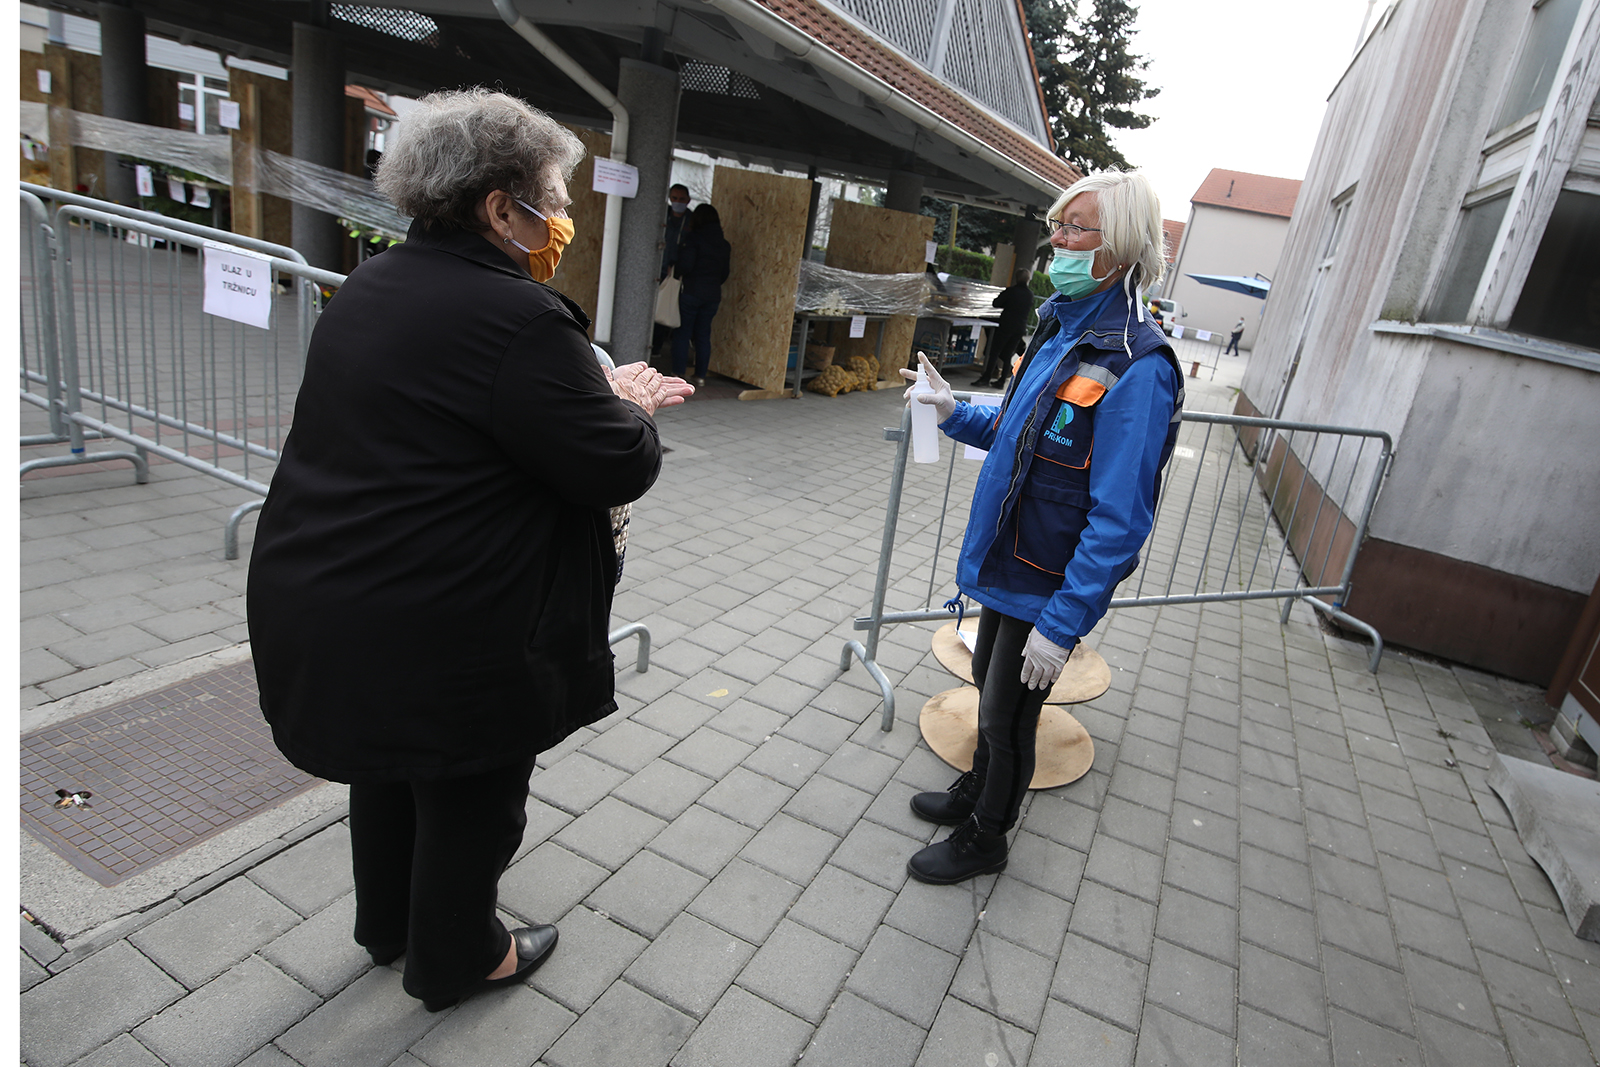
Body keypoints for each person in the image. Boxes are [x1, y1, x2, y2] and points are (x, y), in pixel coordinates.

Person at [245, 89, 692, 1012]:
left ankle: (391, 926)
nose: (564, 218)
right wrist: (632, 403)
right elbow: (612, 462)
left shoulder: (370, 282)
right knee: (472, 789)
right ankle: (457, 956)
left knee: (390, 768)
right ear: (498, 208)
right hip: (453, 620)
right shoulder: (522, 318)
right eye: (555, 198)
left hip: (339, 592)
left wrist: (587, 390)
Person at [898, 170, 1184, 885]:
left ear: (1119, 247)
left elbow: (1120, 521)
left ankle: (987, 836)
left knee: (1006, 715)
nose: (1056, 239)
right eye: (1057, 224)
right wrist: (948, 409)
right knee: (988, 694)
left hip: (1048, 580)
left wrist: (1063, 625)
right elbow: (1018, 431)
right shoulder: (1060, 323)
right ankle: (975, 794)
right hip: (1009, 562)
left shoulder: (1138, 366)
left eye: (1075, 228)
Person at [672, 203, 731, 387]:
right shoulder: (724, 244)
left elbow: (686, 265)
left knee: (683, 332)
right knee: (703, 335)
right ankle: (700, 376)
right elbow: (724, 273)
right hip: (712, 294)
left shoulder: (694, 239)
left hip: (692, 291)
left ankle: (678, 374)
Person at [976, 268, 1035, 387]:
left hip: (1006, 325)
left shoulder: (1011, 291)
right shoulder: (1030, 295)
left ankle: (986, 377)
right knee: (1008, 354)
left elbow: (996, 303)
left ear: (1016, 278)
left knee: (994, 352)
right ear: (1028, 279)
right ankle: (1002, 381)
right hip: (1020, 328)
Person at [652, 184, 692, 357]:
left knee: (669, 310)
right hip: (658, 269)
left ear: (688, 200)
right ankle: (654, 346)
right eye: (674, 198)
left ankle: (662, 348)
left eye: (681, 199)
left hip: (678, 274)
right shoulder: (663, 215)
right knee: (656, 309)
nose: (677, 202)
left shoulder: (691, 221)